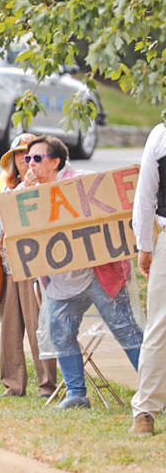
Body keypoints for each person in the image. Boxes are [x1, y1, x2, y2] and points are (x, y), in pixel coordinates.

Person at [25, 135, 142, 409]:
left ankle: (155, 390)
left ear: (55, 162)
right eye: (28, 159)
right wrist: (24, 192)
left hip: (99, 275)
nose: (30, 164)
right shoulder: (26, 193)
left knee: (126, 330)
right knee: (60, 332)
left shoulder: (81, 181)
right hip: (61, 283)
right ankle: (77, 394)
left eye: (37, 159)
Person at [0, 134, 58, 396]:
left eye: (31, 155)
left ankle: (47, 384)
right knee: (10, 328)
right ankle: (13, 383)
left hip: (38, 267)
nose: (25, 161)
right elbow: (3, 221)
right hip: (10, 266)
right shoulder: (6, 188)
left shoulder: (51, 186)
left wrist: (31, 188)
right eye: (20, 155)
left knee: (39, 326)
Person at [130, 122, 166, 434]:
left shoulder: (161, 134)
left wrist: (144, 245)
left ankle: (145, 412)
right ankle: (145, 412)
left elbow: (145, 195)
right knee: (160, 325)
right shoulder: (161, 134)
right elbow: (145, 195)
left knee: (160, 325)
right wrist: (145, 245)